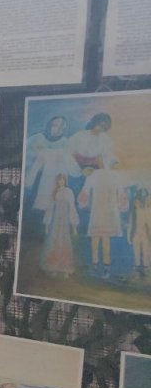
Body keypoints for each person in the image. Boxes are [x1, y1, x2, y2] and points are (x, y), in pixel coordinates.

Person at [69, 113, 124, 275]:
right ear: (95, 122)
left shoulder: (106, 141)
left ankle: (105, 267)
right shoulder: (80, 136)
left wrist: (113, 162)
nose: (101, 129)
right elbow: (70, 155)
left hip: (106, 207)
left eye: (105, 127)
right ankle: (94, 265)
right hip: (82, 174)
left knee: (105, 239)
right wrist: (81, 170)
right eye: (100, 124)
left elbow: (110, 156)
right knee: (94, 237)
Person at [40, 174, 79, 278]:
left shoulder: (69, 192)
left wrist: (74, 226)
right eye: (59, 180)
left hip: (65, 222)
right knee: (54, 241)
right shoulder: (55, 192)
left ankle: (65, 269)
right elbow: (50, 209)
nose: (61, 182)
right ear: (57, 181)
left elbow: (72, 208)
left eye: (63, 180)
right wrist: (47, 225)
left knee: (65, 242)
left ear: (65, 181)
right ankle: (54, 267)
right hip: (55, 221)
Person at [130, 188, 151, 277]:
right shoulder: (133, 213)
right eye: (136, 202)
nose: (137, 204)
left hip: (144, 233)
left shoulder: (146, 211)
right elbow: (131, 225)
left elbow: (148, 224)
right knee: (136, 250)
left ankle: (146, 266)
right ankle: (137, 265)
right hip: (136, 233)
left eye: (138, 202)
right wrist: (130, 236)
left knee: (145, 250)